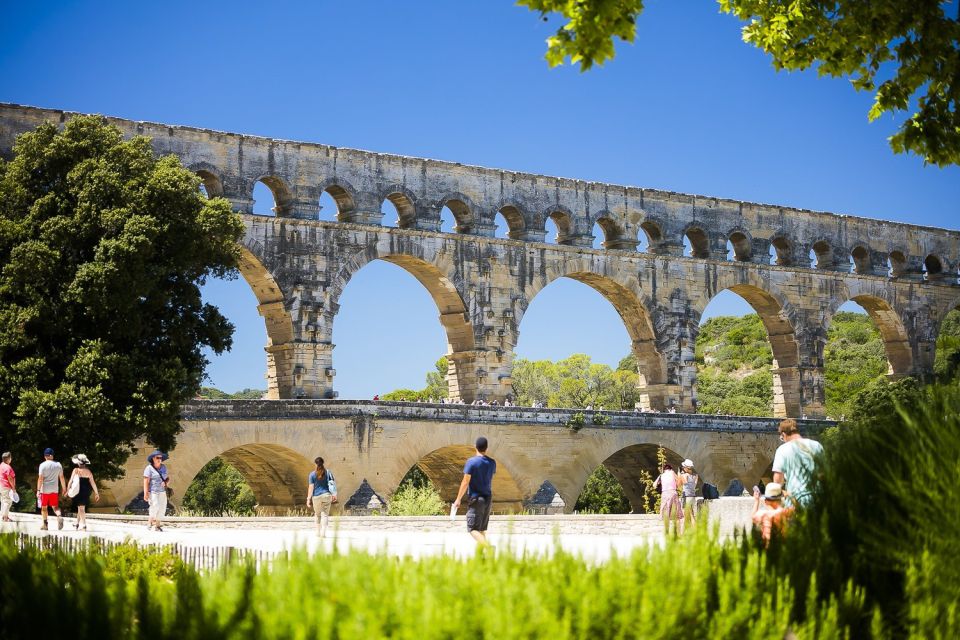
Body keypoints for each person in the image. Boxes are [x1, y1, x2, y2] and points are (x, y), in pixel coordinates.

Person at [452, 436, 497, 546]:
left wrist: (458, 499)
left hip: (476, 499)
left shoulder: (471, 462)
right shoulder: (492, 462)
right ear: (487, 448)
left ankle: (489, 548)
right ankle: (484, 558)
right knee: (481, 529)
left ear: (475, 447)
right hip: (488, 498)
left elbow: (465, 482)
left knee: (472, 529)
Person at [772, 418, 824, 508]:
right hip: (818, 498)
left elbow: (778, 479)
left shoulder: (783, 449)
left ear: (783, 434)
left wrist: (781, 492)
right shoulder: (817, 445)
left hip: (796, 499)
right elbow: (823, 473)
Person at [306, 456, 338, 538]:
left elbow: (311, 488)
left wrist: (308, 499)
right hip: (327, 495)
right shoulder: (328, 473)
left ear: (315, 464)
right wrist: (334, 495)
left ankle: (317, 532)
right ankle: (323, 533)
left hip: (316, 496)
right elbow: (332, 484)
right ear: (323, 463)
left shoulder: (312, 475)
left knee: (317, 515)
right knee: (325, 515)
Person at [37, 448, 66, 531]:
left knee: (44, 508)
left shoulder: (42, 465)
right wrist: (64, 488)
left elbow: (40, 479)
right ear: (52, 455)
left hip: (44, 490)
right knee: (55, 507)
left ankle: (45, 525)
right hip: (54, 490)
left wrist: (38, 490)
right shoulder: (58, 465)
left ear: (45, 456)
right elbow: (61, 477)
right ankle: (59, 516)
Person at [751, 482, 789, 546]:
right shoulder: (786, 512)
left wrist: (756, 501)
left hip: (769, 549)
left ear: (767, 501)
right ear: (780, 498)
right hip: (784, 548)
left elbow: (753, 517)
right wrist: (788, 494)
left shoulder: (763, 514)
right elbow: (799, 509)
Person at [68, 454, 100, 531]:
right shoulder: (88, 471)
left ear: (78, 463)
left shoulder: (76, 470)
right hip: (86, 491)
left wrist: (67, 490)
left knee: (81, 508)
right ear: (85, 463)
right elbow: (93, 483)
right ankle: (77, 523)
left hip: (78, 491)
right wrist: (96, 493)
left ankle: (84, 525)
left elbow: (70, 481)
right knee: (80, 507)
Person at [142, 451, 170, 531]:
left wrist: (165, 482)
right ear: (153, 459)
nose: (159, 459)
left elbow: (167, 478)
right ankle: (150, 522)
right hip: (153, 491)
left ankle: (157, 526)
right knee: (155, 506)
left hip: (162, 491)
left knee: (162, 508)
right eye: (157, 458)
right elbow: (146, 481)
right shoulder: (149, 468)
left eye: (160, 458)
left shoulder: (163, 467)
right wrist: (146, 493)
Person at [654, 463, 681, 537]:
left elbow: (654, 485)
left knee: (666, 514)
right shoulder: (672, 472)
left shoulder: (661, 475)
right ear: (670, 469)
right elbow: (679, 483)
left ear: (664, 469)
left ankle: (666, 533)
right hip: (673, 493)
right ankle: (677, 533)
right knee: (676, 514)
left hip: (665, 494)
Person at [678, 459, 699, 532]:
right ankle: (691, 532)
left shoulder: (684, 475)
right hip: (693, 497)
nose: (683, 468)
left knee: (688, 516)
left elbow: (679, 485)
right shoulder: (696, 476)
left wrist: (679, 475)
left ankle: (682, 534)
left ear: (687, 468)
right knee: (691, 515)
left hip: (686, 497)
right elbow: (694, 486)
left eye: (684, 467)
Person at [0, 452, 15, 522]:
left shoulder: (1, 465)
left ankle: (4, 516)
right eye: (10, 457)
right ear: (8, 459)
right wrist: (13, 488)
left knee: (3, 501)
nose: (11, 459)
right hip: (6, 486)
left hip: (1, 485)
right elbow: (10, 478)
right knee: (7, 501)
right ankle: (5, 517)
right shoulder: (8, 467)